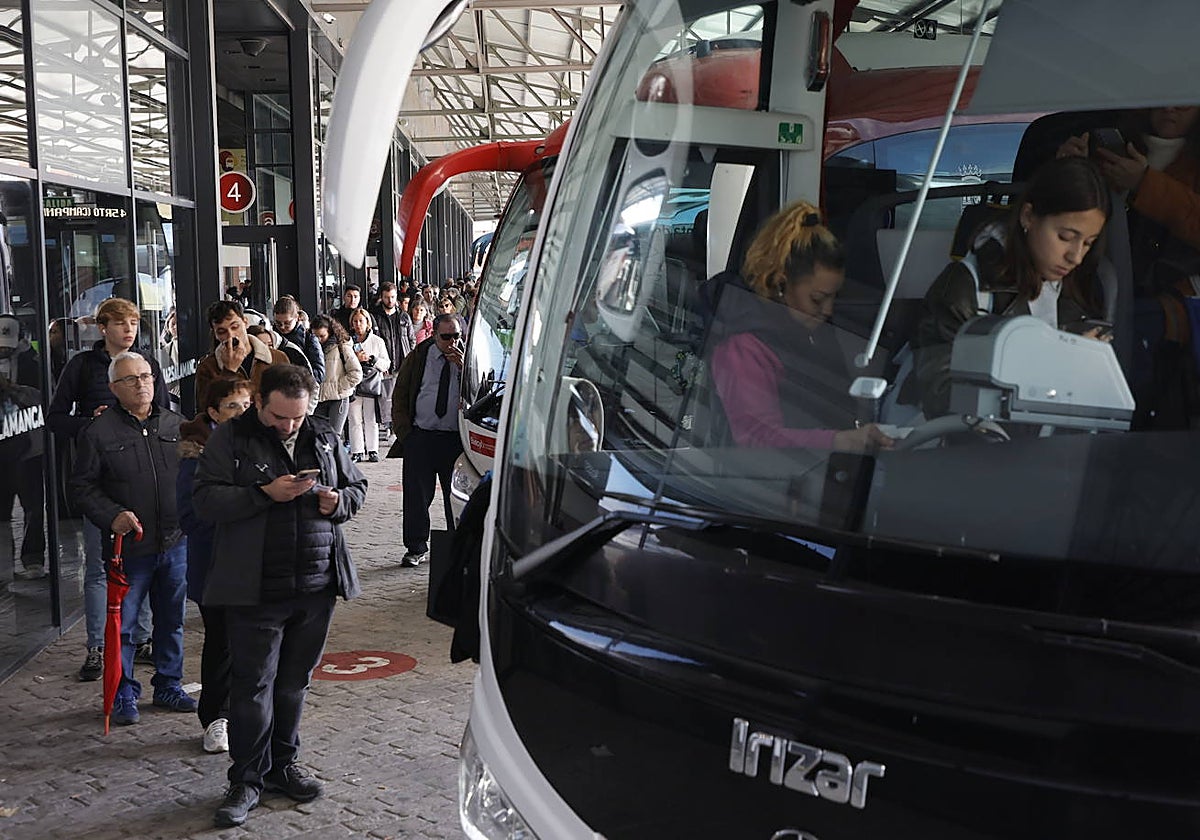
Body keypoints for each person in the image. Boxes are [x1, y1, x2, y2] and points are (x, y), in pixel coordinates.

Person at [193, 364, 367, 828]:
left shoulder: (323, 434)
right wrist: (264, 493)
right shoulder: (231, 439)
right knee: (253, 687)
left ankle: (283, 767)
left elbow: (357, 486)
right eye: (279, 417)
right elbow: (205, 500)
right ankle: (246, 779)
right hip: (255, 589)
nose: (289, 426)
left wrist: (340, 502)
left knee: (294, 684)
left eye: (297, 417)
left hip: (316, 585)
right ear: (258, 401)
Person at [914, 156, 1112, 418]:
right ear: (1028, 217)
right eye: (1065, 237)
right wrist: (1059, 363)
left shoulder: (1078, 289)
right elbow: (940, 395)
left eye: (1088, 243)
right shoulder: (966, 287)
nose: (1076, 257)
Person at [707, 201, 894, 452]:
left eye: (833, 298)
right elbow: (754, 439)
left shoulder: (804, 329)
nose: (828, 310)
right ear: (781, 285)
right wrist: (840, 440)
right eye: (817, 299)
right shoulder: (745, 346)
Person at [70, 351, 194, 725]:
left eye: (145, 376)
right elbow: (82, 488)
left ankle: (169, 684)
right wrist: (112, 516)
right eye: (130, 379)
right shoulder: (98, 433)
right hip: (129, 550)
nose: (141, 384)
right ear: (113, 388)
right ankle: (123, 692)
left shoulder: (177, 424)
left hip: (175, 543)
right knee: (122, 628)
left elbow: (197, 477)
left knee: (171, 621)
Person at [48, 297, 168, 682]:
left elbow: (164, 416)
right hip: (100, 481)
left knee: (144, 560)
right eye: (119, 323)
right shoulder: (83, 365)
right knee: (100, 567)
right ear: (103, 328)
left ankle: (142, 639)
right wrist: (92, 423)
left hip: (142, 477)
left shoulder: (147, 364)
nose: (128, 330)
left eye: (132, 323)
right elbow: (55, 419)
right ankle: (98, 646)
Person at [176, 378, 252, 754]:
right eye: (232, 406)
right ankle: (216, 718)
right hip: (215, 566)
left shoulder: (261, 444)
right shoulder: (196, 455)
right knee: (221, 641)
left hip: (255, 564)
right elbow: (191, 516)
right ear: (213, 413)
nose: (241, 413)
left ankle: (248, 715)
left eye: (246, 405)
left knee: (253, 642)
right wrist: (244, 513)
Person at [390, 313, 465, 567]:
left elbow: (482, 392)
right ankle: (416, 547)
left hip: (454, 440)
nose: (452, 342)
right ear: (434, 335)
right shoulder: (419, 357)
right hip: (421, 437)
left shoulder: (468, 359)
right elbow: (400, 394)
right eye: (446, 337)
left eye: (456, 336)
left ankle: (457, 547)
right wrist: (406, 434)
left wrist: (465, 370)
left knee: (456, 497)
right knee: (416, 497)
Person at [194, 300, 288, 410]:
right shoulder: (207, 368)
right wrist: (229, 371)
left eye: (235, 327)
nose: (230, 335)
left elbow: (290, 399)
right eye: (222, 332)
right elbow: (205, 410)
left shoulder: (277, 358)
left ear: (245, 322)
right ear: (215, 334)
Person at [369, 281, 416, 433]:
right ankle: (388, 426)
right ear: (381, 297)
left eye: (393, 297)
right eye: (387, 297)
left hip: (403, 363)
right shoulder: (375, 316)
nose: (390, 300)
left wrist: (410, 359)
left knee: (401, 398)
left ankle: (398, 427)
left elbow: (411, 339)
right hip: (385, 364)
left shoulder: (404, 317)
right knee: (385, 398)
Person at [347, 308, 390, 462]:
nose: (358, 324)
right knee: (354, 418)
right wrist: (356, 359)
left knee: (371, 418)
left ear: (368, 323)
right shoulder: (348, 342)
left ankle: (372, 450)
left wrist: (372, 360)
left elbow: (386, 363)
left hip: (371, 384)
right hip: (353, 384)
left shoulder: (377, 341)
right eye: (355, 321)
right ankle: (357, 451)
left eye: (361, 321)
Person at [311, 314, 362, 437]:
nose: (318, 340)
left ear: (330, 333)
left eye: (322, 336)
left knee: (334, 437)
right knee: (318, 437)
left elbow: (356, 373)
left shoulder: (342, 347)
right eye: (315, 336)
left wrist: (338, 387)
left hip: (338, 399)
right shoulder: (311, 348)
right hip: (318, 399)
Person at [274, 296, 325, 383]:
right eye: (278, 323)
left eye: (287, 323)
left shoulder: (309, 339)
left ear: (297, 318)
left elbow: (319, 374)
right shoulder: (270, 338)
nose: (282, 327)